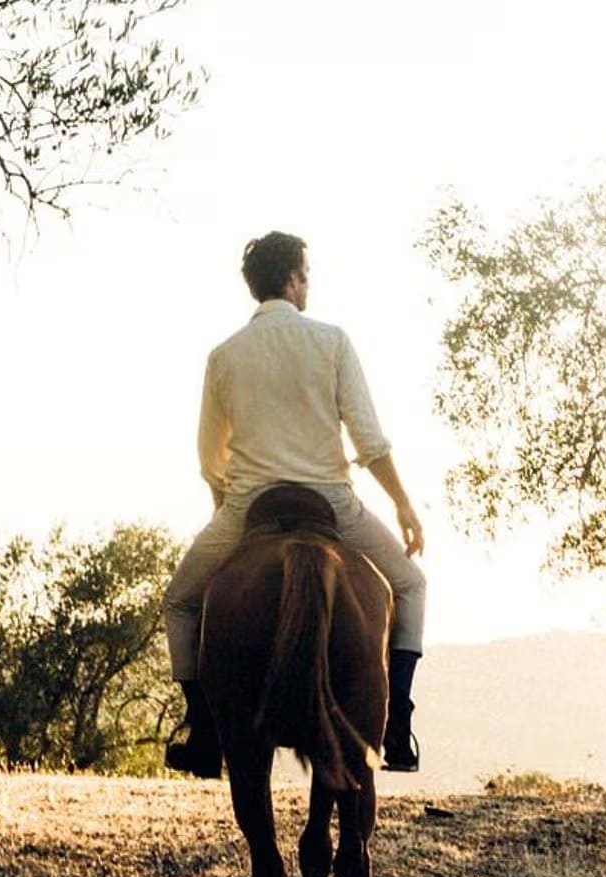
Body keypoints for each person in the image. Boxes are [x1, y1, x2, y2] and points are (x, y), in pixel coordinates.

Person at [161, 230, 426, 778]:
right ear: (290, 280)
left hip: (248, 503)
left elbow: (210, 458)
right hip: (333, 503)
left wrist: (225, 511)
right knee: (410, 585)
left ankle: (202, 729)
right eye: (305, 275)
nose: (308, 284)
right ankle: (396, 726)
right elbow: (369, 442)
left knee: (180, 602)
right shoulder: (332, 341)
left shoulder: (224, 355)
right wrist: (402, 503)